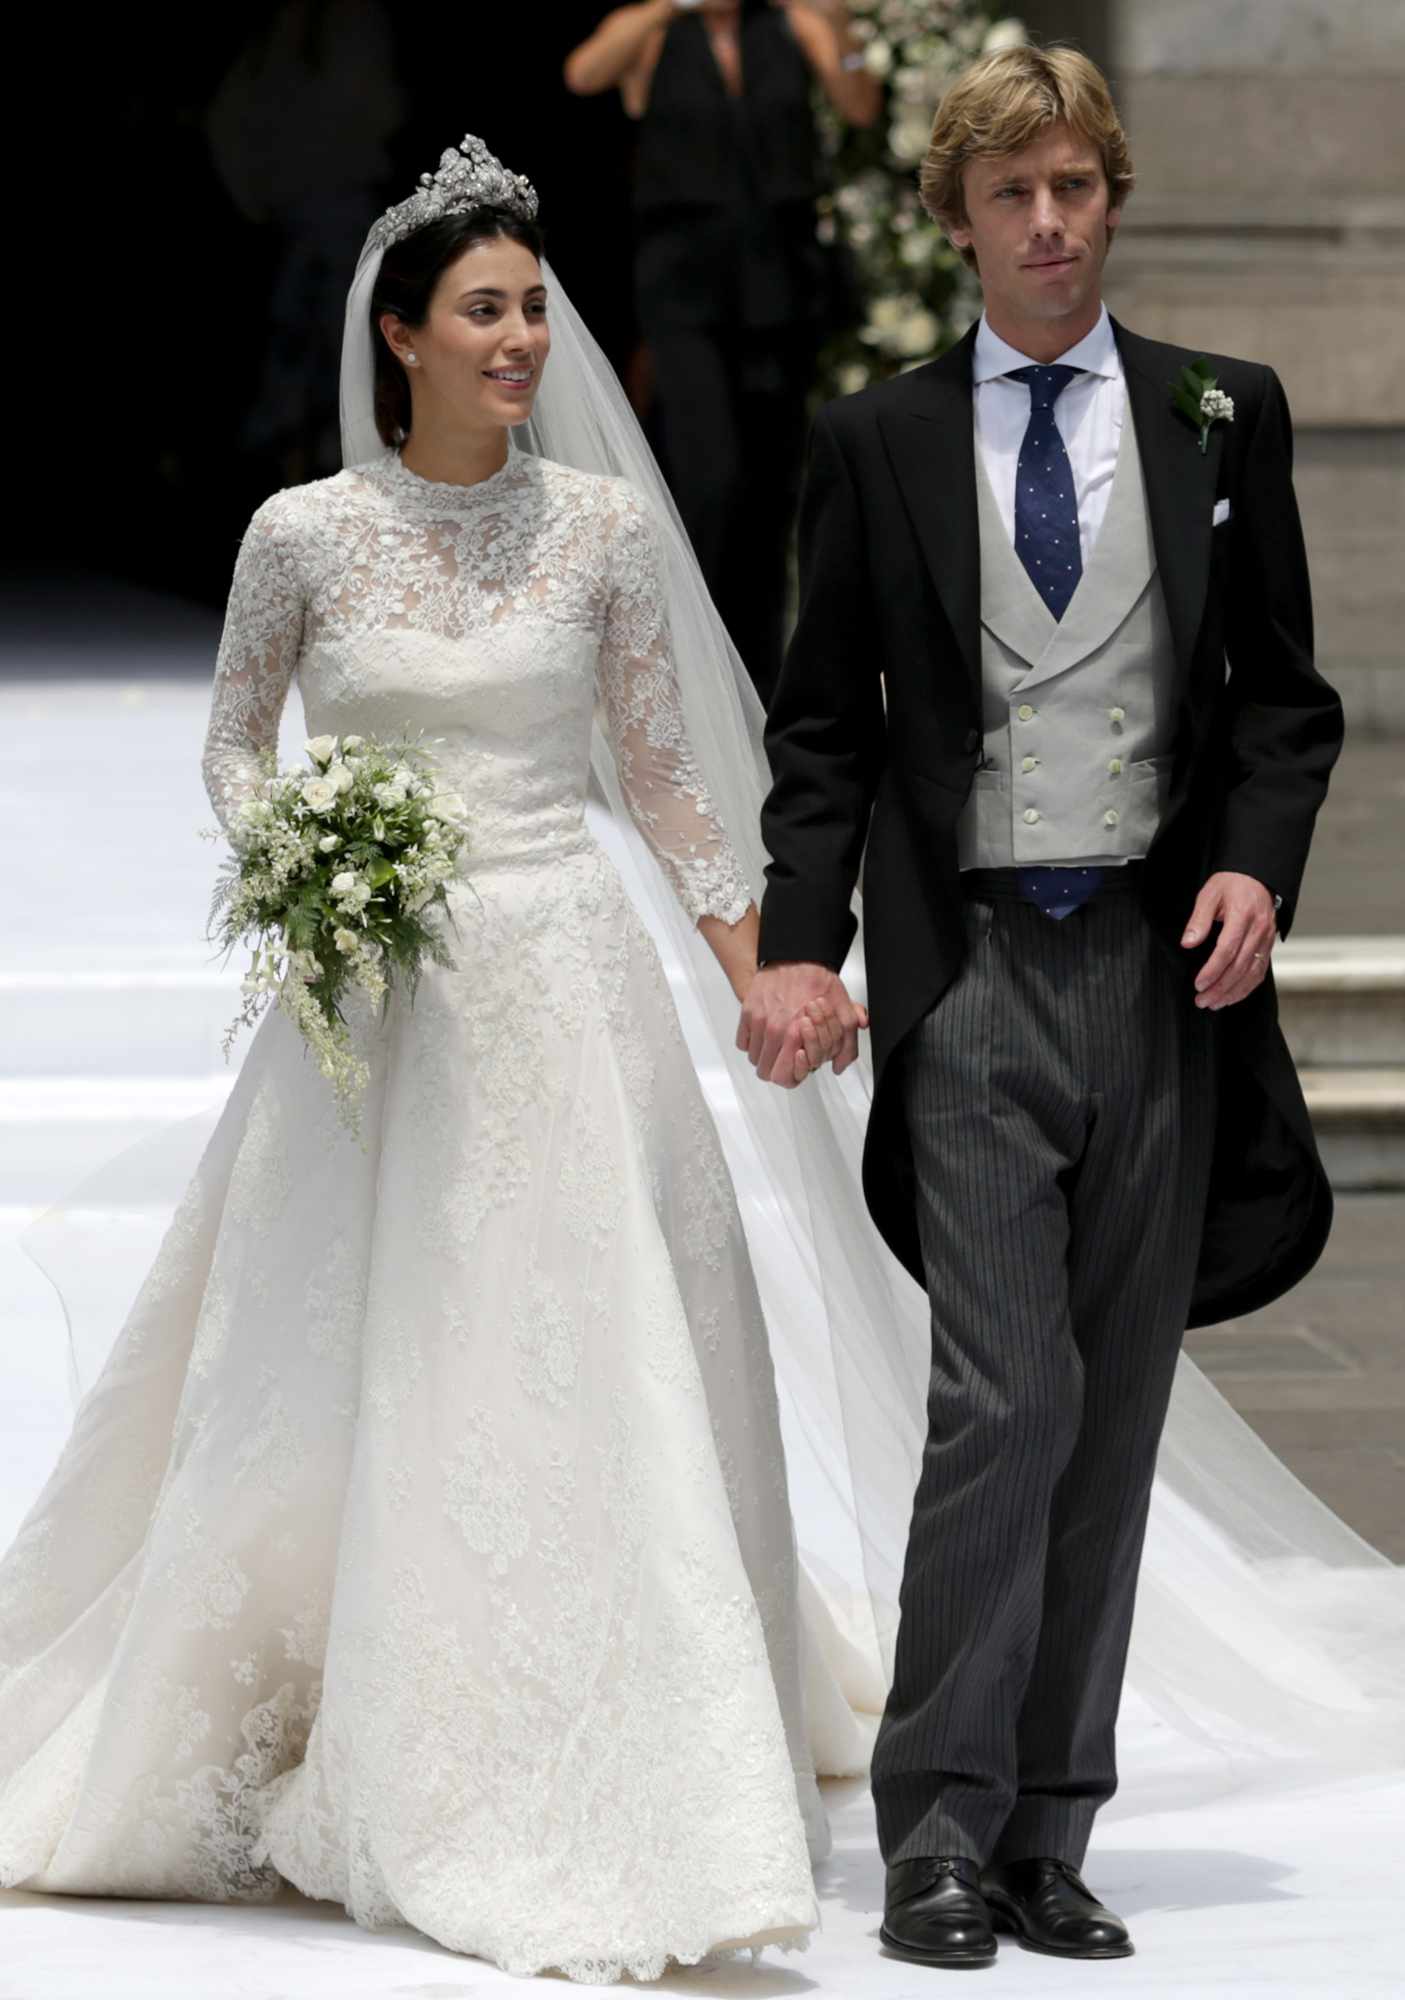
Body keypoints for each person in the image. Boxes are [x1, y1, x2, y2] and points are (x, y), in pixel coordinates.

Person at [0, 135, 858, 1981]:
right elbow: (236, 745)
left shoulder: (606, 536)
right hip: (377, 1011)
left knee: (584, 1352)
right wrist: (299, 858)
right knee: (359, 1361)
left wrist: (761, 961)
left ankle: (633, 1731)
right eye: (485, 310)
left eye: (536, 307)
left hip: (564, 983)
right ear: (398, 335)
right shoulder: (300, 536)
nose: (522, 338)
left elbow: (665, 771)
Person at [741, 41, 1345, 1968]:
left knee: (1112, 1412)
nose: (1052, 225)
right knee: (1000, 1402)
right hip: (979, 967)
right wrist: (796, 945)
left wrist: (1257, 853)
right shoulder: (878, 441)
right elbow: (826, 729)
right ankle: (937, 1824)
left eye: (1079, 188)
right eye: (1015, 195)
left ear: (1113, 200)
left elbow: (1283, 698)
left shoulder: (1217, 415)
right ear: (960, 218)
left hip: (1164, 978)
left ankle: (1049, 1830)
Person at [565, 0, 880, 703]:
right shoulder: (654, 31)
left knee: (774, 486)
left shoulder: (792, 22)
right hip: (685, 289)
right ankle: (685, 662)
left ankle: (760, 677)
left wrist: (841, 33)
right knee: (711, 476)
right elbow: (585, 73)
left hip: (778, 287)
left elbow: (857, 103)